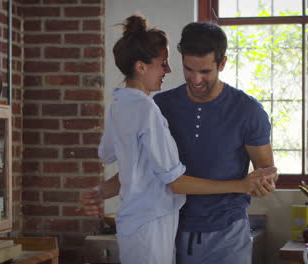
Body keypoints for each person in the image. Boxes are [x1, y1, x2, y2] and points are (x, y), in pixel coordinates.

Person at [83, 16, 277, 264]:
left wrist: (264, 182)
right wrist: (100, 191)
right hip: (173, 235)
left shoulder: (248, 111)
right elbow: (139, 171)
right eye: (189, 69)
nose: (196, 80)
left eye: (205, 71)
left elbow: (265, 172)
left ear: (223, 63)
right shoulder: (158, 107)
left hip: (227, 237)